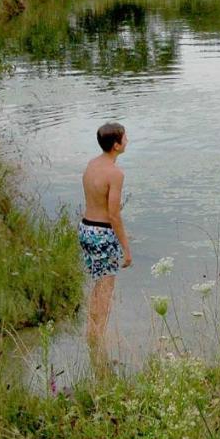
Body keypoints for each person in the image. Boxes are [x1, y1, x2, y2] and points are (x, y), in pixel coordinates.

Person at [80, 122, 132, 361]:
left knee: (97, 285)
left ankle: (91, 333)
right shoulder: (115, 173)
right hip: (102, 232)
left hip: (85, 228)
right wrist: (126, 248)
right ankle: (98, 342)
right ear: (116, 145)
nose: (127, 140)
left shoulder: (92, 165)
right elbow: (113, 214)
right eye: (124, 138)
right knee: (106, 289)